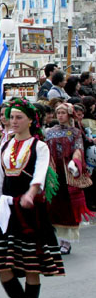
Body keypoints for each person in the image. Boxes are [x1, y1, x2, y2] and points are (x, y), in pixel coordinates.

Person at [0, 98, 65, 298]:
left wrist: (32, 192)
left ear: (31, 120)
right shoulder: (5, 145)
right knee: (1, 264)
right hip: (6, 210)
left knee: (31, 266)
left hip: (29, 211)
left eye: (19, 117)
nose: (14, 121)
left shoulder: (38, 145)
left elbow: (40, 172)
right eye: (11, 117)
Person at [44, 102, 94, 254]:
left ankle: (65, 242)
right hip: (53, 170)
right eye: (58, 113)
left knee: (69, 206)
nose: (60, 116)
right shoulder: (49, 131)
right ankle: (55, 240)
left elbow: (78, 149)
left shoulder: (75, 132)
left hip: (68, 172)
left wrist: (75, 162)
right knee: (52, 206)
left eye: (63, 113)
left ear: (69, 115)